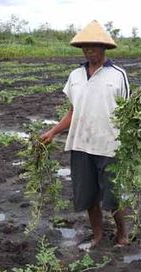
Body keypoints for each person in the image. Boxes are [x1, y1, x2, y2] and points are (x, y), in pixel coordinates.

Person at [40, 20, 130, 247]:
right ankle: (98, 235)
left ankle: (122, 233)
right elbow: (73, 111)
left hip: (110, 145)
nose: (88, 50)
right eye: (85, 47)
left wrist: (129, 144)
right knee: (88, 195)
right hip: (80, 143)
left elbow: (128, 115)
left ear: (104, 48)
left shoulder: (118, 75)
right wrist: (53, 132)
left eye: (93, 46)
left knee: (113, 196)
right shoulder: (75, 75)